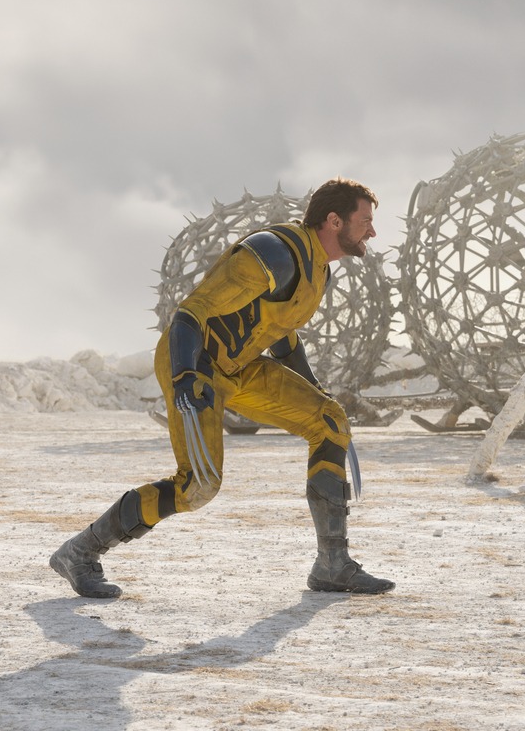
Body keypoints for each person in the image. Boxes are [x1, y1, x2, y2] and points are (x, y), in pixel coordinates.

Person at [51, 178, 394, 598]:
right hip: (195, 363)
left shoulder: (317, 269)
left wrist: (315, 389)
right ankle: (80, 553)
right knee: (197, 486)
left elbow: (282, 336)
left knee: (329, 420)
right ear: (334, 220)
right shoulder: (273, 254)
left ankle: (332, 566)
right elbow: (190, 314)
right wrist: (184, 375)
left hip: (241, 366)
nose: (372, 231)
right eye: (365, 221)